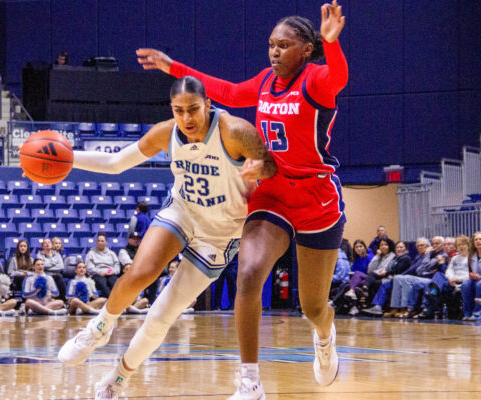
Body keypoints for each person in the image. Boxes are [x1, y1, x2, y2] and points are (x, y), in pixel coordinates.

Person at [137, 2, 347, 393]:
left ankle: (324, 337)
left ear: (305, 49)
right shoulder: (267, 82)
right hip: (272, 191)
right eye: (271, 44)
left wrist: (332, 43)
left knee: (313, 307)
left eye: (284, 45)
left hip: (316, 197)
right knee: (248, 275)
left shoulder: (316, 80)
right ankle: (250, 383)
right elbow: (229, 91)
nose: (274, 51)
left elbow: (339, 78)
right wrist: (173, 67)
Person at [55, 76, 275, 399]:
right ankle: (98, 329)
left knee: (161, 315)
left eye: (194, 109)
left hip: (220, 234)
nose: (187, 118)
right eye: (179, 110)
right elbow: (117, 163)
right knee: (140, 272)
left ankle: (117, 379)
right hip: (182, 212)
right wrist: (69, 159)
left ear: (208, 105)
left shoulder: (234, 131)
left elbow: (270, 166)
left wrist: (260, 167)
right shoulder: (166, 134)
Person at [361, 241, 412, 316]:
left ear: (405, 249)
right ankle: (371, 301)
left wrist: (387, 272)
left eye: (401, 247)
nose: (399, 249)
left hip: (400, 281)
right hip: (391, 278)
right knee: (373, 277)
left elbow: (398, 270)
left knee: (382, 284)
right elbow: (388, 268)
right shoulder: (395, 258)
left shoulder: (406, 258)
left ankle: (378, 306)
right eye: (397, 247)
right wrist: (387, 271)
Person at [85, 233, 121, 298]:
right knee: (102, 283)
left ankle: (117, 300)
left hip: (110, 273)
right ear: (96, 242)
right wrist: (99, 272)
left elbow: (117, 265)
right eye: (98, 241)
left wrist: (114, 271)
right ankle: (112, 300)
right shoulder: (91, 253)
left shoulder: (111, 253)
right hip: (97, 274)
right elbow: (89, 267)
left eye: (102, 241)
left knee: (114, 282)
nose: (100, 242)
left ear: (106, 242)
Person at [462, 231, 481, 320]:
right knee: (465, 284)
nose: (478, 241)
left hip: (479, 281)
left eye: (480, 239)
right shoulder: (471, 255)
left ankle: (477, 313)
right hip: (474, 280)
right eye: (476, 239)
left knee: (479, 284)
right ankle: (467, 313)